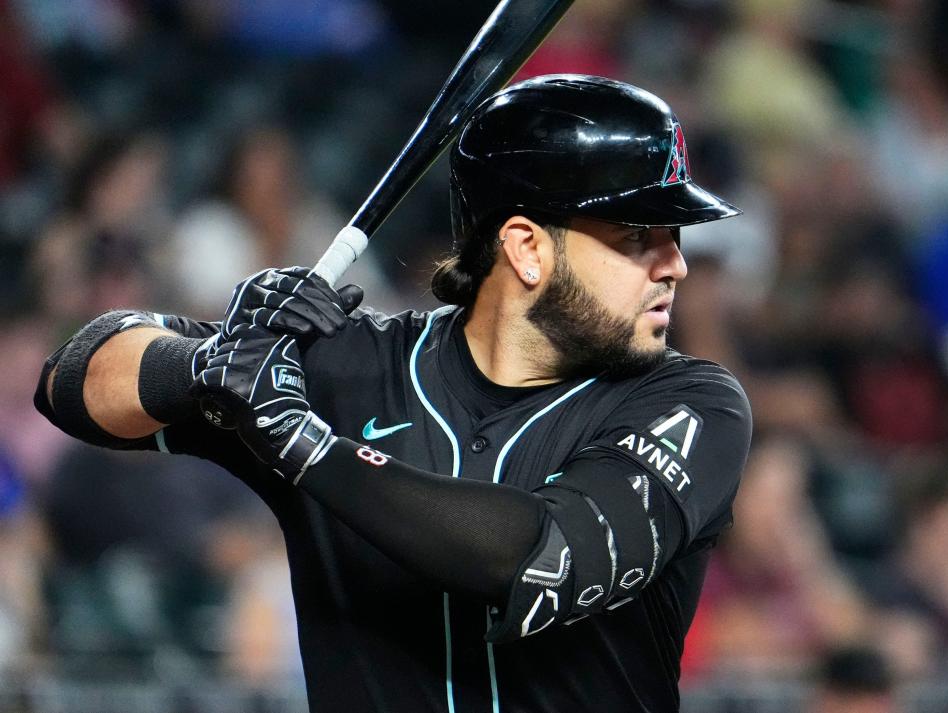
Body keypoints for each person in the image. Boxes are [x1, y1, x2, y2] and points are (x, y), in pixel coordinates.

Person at [36, 75, 752, 712]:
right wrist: (213, 363)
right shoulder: (348, 369)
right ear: (527, 247)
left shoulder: (690, 403)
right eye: (636, 237)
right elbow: (72, 382)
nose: (676, 264)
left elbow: (540, 559)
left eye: (673, 235)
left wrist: (307, 446)